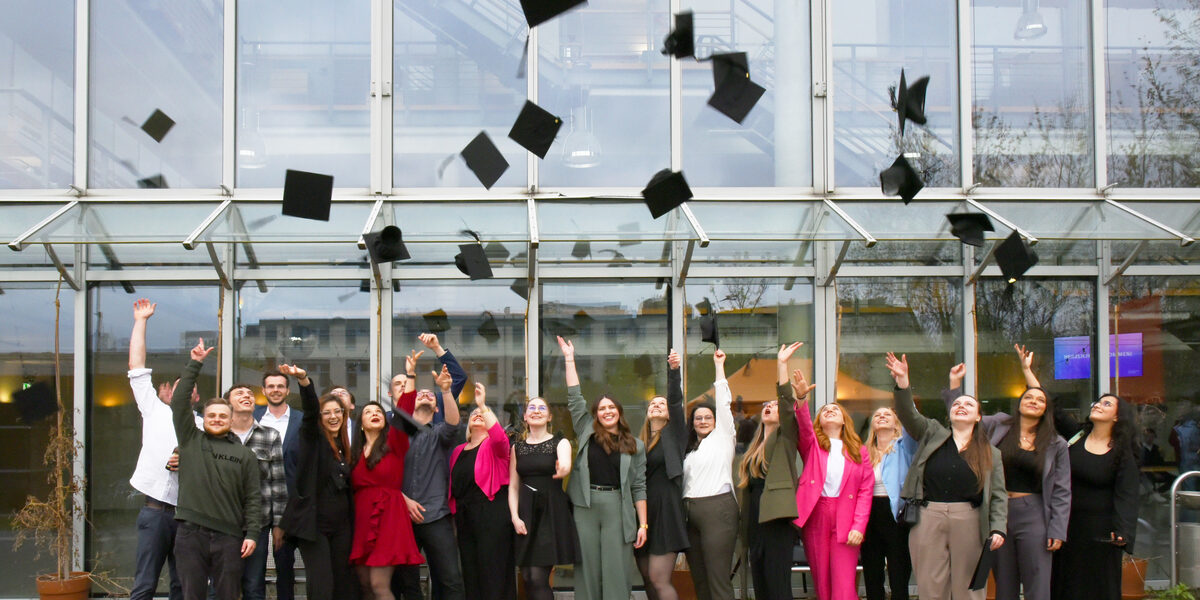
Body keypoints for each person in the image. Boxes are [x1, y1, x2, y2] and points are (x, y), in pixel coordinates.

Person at [941, 346, 1070, 600]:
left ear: (1046, 409)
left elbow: (1062, 491)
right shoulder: (997, 425)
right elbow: (963, 414)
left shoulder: (1057, 444)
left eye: (1040, 400)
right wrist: (954, 384)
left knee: (1038, 580)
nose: (1033, 402)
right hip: (998, 512)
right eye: (1028, 398)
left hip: (1034, 513)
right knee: (1004, 581)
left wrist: (1058, 529)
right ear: (1019, 403)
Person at [885, 352, 1006, 600]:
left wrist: (998, 529)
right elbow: (908, 414)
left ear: (978, 417)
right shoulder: (932, 432)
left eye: (968, 405)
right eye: (957, 404)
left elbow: (998, 495)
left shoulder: (990, 453)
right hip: (928, 516)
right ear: (950, 412)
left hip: (971, 519)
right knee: (930, 586)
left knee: (970, 588)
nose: (961, 406)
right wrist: (903, 382)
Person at [171, 339, 262, 600]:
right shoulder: (190, 439)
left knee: (228, 595)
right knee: (192, 596)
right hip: (190, 534)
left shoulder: (245, 454)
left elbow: (253, 498)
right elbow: (179, 401)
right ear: (204, 418)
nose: (217, 419)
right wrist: (195, 363)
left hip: (229, 538)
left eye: (223, 416)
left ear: (232, 419)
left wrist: (252, 534)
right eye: (212, 415)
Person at [559, 336, 648, 600]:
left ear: (619, 412)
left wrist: (643, 525)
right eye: (601, 408)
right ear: (595, 413)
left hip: (618, 508)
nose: (606, 411)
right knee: (586, 569)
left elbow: (639, 487)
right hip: (585, 506)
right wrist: (569, 359)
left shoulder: (636, 445)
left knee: (616, 570)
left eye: (611, 407)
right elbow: (575, 397)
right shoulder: (586, 429)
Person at [392, 334, 469, 600]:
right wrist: (403, 499)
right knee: (406, 583)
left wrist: (446, 390)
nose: (427, 393)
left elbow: (452, 423)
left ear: (437, 406)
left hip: (436, 516)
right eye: (420, 392)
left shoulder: (440, 432)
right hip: (402, 517)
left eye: (431, 394)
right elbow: (381, 473)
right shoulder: (397, 434)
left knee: (449, 580)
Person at [276, 364, 356, 600]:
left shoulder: (345, 448)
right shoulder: (313, 439)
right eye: (327, 412)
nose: (333, 417)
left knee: (343, 583)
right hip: (315, 527)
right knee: (322, 585)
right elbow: (310, 411)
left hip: (342, 527)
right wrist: (304, 381)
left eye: (337, 412)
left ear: (344, 415)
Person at [1048, 393, 1140, 600]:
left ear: (1117, 417)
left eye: (1106, 404)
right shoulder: (1078, 436)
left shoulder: (1122, 452)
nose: (1098, 405)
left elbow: (1127, 494)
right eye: (1098, 402)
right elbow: (1053, 409)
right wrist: (1027, 371)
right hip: (1068, 525)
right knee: (1065, 581)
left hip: (1101, 531)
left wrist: (1123, 530)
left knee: (1099, 584)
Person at [793, 366, 874, 600]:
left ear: (844, 420)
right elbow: (804, 425)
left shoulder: (859, 452)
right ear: (820, 420)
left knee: (844, 582)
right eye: (825, 410)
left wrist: (859, 526)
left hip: (847, 517)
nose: (829, 411)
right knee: (822, 581)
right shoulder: (812, 445)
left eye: (835, 409)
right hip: (817, 513)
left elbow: (865, 491)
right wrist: (801, 398)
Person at [737, 342, 805, 599]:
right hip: (755, 523)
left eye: (774, 405)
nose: (770, 407)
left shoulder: (786, 438)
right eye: (766, 405)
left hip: (777, 522)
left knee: (778, 588)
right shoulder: (753, 449)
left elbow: (787, 403)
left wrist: (782, 365)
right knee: (762, 587)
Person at [127, 299, 183, 600]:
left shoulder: (204, 425)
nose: (186, 392)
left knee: (182, 586)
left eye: (191, 387)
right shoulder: (154, 410)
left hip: (188, 516)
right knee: (145, 584)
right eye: (179, 387)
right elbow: (136, 367)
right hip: (156, 512)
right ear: (167, 392)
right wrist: (141, 320)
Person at [349, 398, 424, 600]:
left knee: (379, 584)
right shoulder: (354, 452)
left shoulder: (394, 442)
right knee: (365, 585)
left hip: (389, 518)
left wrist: (410, 374)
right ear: (361, 424)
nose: (375, 414)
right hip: (363, 521)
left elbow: (404, 413)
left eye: (379, 412)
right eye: (368, 412)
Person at [680, 350, 740, 600]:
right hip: (689, 513)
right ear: (692, 423)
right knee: (700, 579)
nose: (702, 421)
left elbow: (724, 402)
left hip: (717, 509)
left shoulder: (723, 437)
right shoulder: (690, 450)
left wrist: (719, 367)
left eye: (707, 417)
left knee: (717, 579)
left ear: (716, 421)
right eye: (697, 418)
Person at [450, 383, 516, 600]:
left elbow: (499, 438)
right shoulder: (458, 450)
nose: (477, 415)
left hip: (491, 513)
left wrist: (482, 404)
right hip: (465, 516)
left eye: (483, 415)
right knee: (470, 573)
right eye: (474, 414)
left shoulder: (496, 445)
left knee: (492, 573)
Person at [509, 395, 579, 600]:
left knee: (539, 577)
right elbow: (513, 486)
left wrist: (563, 469)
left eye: (542, 408)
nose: (536, 410)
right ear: (525, 416)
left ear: (549, 417)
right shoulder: (517, 447)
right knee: (529, 577)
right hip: (525, 514)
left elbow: (565, 463)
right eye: (532, 407)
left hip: (550, 512)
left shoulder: (561, 442)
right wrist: (515, 517)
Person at [222, 381, 287, 600]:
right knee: (222, 585)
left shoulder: (270, 435)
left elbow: (278, 482)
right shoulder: (217, 435)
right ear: (227, 403)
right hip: (221, 523)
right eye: (239, 393)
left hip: (257, 524)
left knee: (254, 585)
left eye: (250, 394)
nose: (246, 396)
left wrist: (278, 524)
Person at [635, 349, 689, 600]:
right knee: (646, 576)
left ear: (669, 414)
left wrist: (674, 372)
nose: (656, 405)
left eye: (661, 403)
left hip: (667, 511)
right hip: (644, 514)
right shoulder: (639, 444)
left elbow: (676, 401)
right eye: (652, 403)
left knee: (659, 577)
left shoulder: (675, 434)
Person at [255, 370, 303, 600]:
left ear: (287, 390)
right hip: (258, 503)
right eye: (271, 386)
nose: (275, 390)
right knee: (253, 570)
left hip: (293, 504)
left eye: (280, 386)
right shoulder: (252, 418)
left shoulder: (302, 421)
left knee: (285, 567)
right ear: (264, 390)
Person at [861, 405, 917, 600]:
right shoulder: (863, 452)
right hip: (869, 513)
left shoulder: (905, 447)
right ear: (872, 424)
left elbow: (912, 424)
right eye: (877, 414)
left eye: (887, 414)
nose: (882, 416)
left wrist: (905, 400)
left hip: (896, 514)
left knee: (898, 572)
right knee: (872, 572)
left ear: (896, 422)